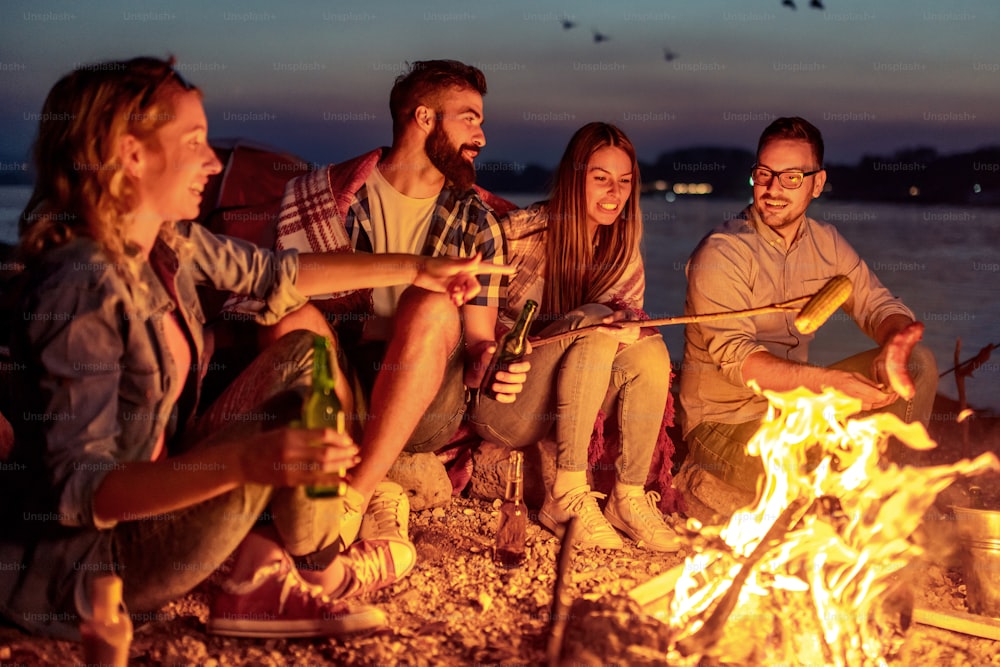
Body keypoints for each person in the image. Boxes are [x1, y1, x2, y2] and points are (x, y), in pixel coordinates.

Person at [0, 56, 509, 641]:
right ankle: (310, 572)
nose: (212, 161)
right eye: (193, 141)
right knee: (281, 422)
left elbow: (279, 274)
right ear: (131, 156)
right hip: (91, 566)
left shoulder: (167, 246)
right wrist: (244, 462)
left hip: (162, 490)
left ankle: (274, 556)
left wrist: (418, 268)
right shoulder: (82, 286)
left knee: (300, 369)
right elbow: (79, 494)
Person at [264, 59, 528, 544]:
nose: (481, 136)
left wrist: (491, 360)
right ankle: (367, 476)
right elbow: (277, 291)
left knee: (427, 303)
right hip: (341, 387)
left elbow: (476, 346)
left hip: (425, 401)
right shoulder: (329, 198)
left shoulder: (477, 224)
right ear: (424, 118)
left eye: (481, 121)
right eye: (468, 117)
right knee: (287, 312)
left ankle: (354, 497)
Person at [677, 116, 938, 515]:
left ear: (817, 182)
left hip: (795, 410)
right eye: (764, 173)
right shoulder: (724, 251)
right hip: (725, 425)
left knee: (917, 365)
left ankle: (890, 512)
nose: (773, 188)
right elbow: (739, 360)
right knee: (824, 466)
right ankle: (852, 510)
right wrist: (828, 383)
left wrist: (896, 342)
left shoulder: (826, 244)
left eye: (791, 177)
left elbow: (879, 306)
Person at [469, 122, 681, 552]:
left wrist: (627, 327)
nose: (614, 192)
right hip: (503, 407)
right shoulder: (518, 236)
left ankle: (629, 495)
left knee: (649, 347)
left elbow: (617, 350)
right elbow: (466, 326)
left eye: (624, 182)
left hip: (569, 409)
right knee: (596, 322)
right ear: (573, 178)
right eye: (600, 178)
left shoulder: (622, 252)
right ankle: (565, 493)